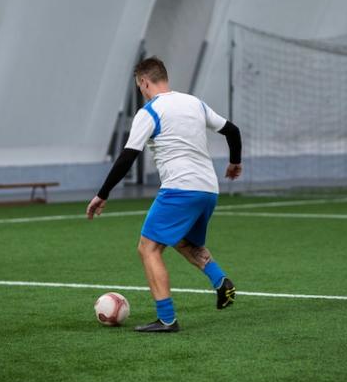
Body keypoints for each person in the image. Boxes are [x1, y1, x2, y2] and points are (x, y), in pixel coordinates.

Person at [86, 57, 242, 332]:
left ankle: (167, 319)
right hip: (208, 189)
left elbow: (127, 156)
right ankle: (221, 282)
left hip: (180, 189)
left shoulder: (150, 111)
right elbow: (232, 131)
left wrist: (102, 194)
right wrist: (234, 162)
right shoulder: (195, 103)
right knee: (182, 241)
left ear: (144, 82)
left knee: (148, 248)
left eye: (139, 86)